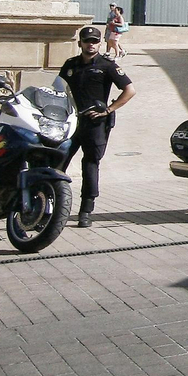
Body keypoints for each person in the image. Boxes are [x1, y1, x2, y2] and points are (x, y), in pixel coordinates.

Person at [59, 26, 136, 228]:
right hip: (71, 122)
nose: (91, 44)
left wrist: (109, 110)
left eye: (94, 41)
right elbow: (57, 88)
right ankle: (50, 207)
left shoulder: (107, 65)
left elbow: (130, 90)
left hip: (94, 123)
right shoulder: (70, 65)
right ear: (80, 43)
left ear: (100, 43)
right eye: (87, 41)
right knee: (58, 162)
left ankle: (86, 210)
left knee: (90, 165)